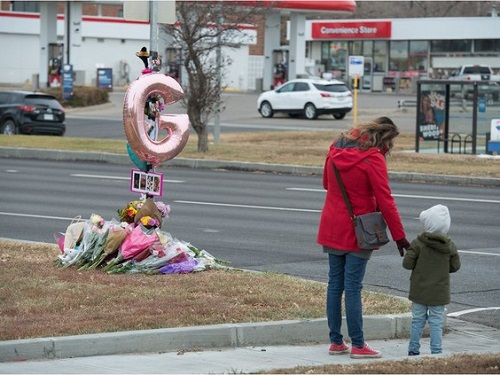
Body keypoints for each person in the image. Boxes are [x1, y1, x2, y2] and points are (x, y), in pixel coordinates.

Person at [317, 116, 411, 359]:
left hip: (332, 225)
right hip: (360, 230)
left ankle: (336, 342)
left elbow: (327, 184)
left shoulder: (335, 147)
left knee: (334, 285)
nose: (389, 149)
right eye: (390, 143)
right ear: (385, 138)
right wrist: (400, 237)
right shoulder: (373, 159)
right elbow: (385, 201)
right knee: (353, 288)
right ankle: (358, 345)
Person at [403, 204, 461, 356]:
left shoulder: (418, 243)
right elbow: (455, 266)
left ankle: (413, 349)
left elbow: (407, 264)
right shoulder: (449, 246)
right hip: (439, 292)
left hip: (419, 290)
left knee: (417, 321)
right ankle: (436, 351)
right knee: (436, 322)